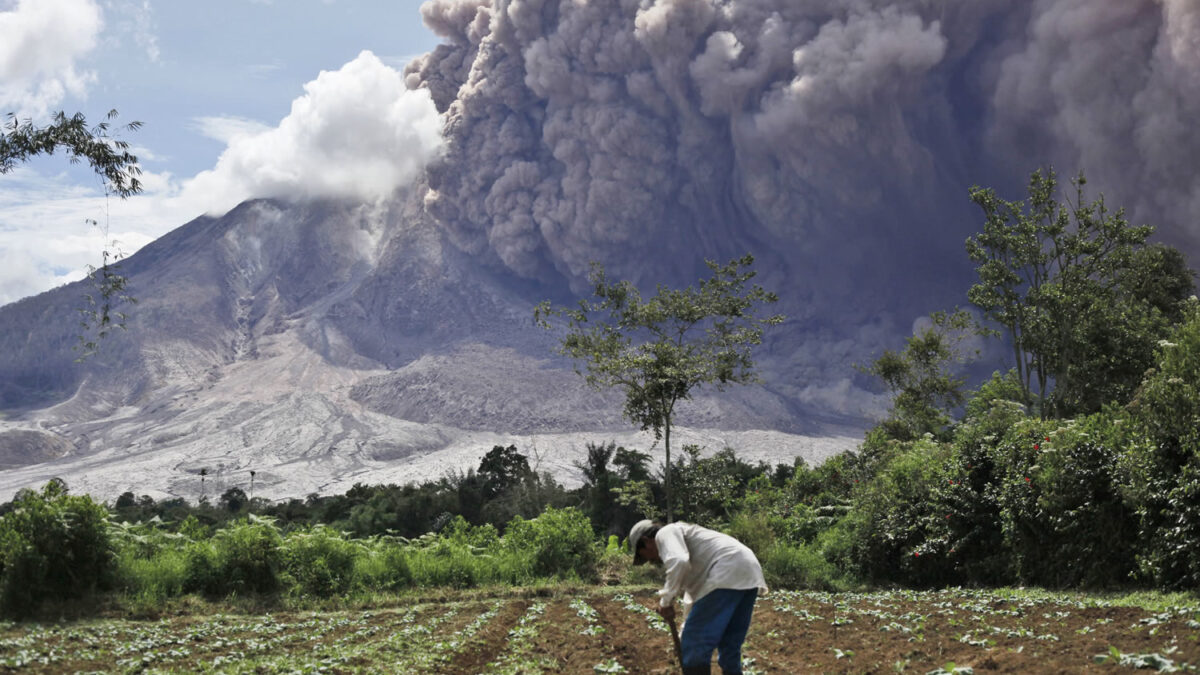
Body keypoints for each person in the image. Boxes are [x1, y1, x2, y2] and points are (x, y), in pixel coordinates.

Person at [629, 519, 767, 675]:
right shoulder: (693, 553)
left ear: (646, 541)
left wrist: (666, 602)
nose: (650, 561)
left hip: (726, 569)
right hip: (749, 572)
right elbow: (695, 600)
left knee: (694, 643)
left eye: (645, 556)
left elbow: (679, 562)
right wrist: (684, 633)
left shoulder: (665, 533)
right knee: (730, 645)